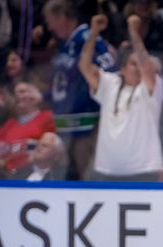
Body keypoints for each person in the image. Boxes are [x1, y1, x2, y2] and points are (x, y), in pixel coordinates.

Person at [79, 13, 163, 181]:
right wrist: (94, 33)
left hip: (143, 171)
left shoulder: (153, 89)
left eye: (140, 64)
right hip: (106, 171)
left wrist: (134, 33)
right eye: (134, 64)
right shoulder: (110, 84)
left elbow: (147, 68)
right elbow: (84, 66)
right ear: (123, 69)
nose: (139, 67)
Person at [44, 0, 116, 180]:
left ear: (61, 17)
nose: (48, 26)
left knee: (81, 182)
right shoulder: (66, 45)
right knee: (69, 178)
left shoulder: (86, 39)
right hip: (69, 126)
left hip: (87, 125)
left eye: (50, 20)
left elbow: (110, 74)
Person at [0, 83, 56, 176]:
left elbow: (54, 148)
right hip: (6, 177)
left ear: (36, 95)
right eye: (15, 93)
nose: (18, 95)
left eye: (23, 91)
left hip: (35, 175)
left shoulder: (48, 117)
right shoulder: (9, 124)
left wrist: (33, 145)